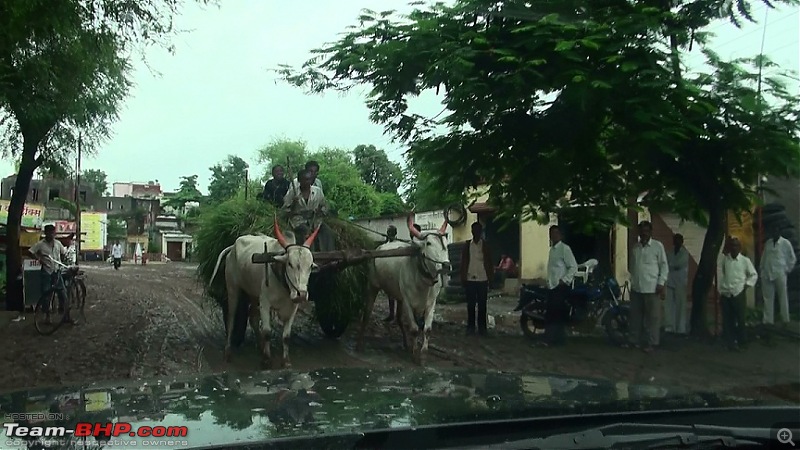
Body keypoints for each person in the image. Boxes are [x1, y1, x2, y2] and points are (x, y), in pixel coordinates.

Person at [627, 220, 669, 353]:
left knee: (653, 318)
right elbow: (632, 266)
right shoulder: (635, 248)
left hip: (652, 288)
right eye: (642, 231)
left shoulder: (657, 246)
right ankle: (634, 341)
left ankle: (653, 343)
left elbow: (664, 266)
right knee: (635, 317)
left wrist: (661, 283)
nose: (644, 234)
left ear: (650, 232)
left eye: (646, 231)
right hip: (637, 288)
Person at [717, 237, 758, 351]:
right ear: (729, 247)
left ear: (739, 248)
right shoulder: (725, 260)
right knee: (727, 320)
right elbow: (724, 274)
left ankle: (742, 342)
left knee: (740, 319)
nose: (734, 248)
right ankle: (730, 342)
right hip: (726, 293)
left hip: (738, 293)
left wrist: (746, 285)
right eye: (732, 245)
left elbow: (753, 275)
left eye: (736, 246)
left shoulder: (745, 261)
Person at [29, 224, 72, 324]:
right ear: (45, 233)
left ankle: (65, 315)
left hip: (57, 271)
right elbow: (30, 251)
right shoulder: (40, 244)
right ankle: (47, 317)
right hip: (46, 271)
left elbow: (63, 253)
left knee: (63, 294)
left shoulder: (58, 244)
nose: (51, 235)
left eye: (53, 233)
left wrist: (64, 261)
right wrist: (39, 259)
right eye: (49, 233)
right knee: (46, 294)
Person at [543, 225, 578, 346]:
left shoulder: (564, 249)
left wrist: (565, 279)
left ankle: (553, 339)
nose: (554, 236)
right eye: (552, 234)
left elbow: (573, 266)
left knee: (556, 313)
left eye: (556, 233)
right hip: (552, 286)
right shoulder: (552, 250)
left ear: (560, 235)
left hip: (561, 286)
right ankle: (554, 339)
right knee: (552, 313)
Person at [283, 169, 333, 250]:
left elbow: (325, 206)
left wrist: (320, 211)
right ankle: (310, 255)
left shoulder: (317, 191)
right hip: (298, 221)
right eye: (305, 180)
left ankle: (329, 254)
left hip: (315, 220)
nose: (307, 182)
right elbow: (285, 210)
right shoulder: (292, 193)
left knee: (327, 231)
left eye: (309, 179)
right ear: (299, 180)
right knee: (306, 233)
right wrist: (293, 204)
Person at [459, 222, 494, 336]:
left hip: (483, 279)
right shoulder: (467, 245)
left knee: (482, 305)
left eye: (478, 230)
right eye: (474, 230)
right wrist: (463, 277)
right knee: (471, 305)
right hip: (470, 279)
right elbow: (463, 262)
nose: (476, 233)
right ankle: (470, 328)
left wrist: (490, 278)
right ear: (472, 231)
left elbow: (489, 262)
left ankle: (482, 329)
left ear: (481, 232)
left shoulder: (485, 245)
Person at [759, 226, 796, 325]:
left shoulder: (785, 243)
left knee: (782, 296)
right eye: (772, 232)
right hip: (767, 273)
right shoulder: (768, 243)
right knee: (767, 298)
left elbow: (792, 258)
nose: (774, 234)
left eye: (776, 232)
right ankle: (768, 320)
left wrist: (787, 269)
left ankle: (785, 319)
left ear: (779, 232)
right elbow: (764, 257)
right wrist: (762, 270)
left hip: (780, 273)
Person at [665, 233, 689, 335]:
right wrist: (670, 265)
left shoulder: (684, 253)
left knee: (680, 305)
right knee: (669, 305)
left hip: (680, 282)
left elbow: (678, 264)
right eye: (675, 240)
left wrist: (670, 265)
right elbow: (666, 264)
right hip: (670, 281)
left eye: (679, 240)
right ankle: (670, 326)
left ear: (682, 242)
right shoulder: (669, 252)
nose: (677, 242)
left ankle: (680, 328)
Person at [383, 225, 400, 322]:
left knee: (398, 295)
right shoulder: (386, 244)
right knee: (390, 294)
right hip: (388, 271)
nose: (389, 234)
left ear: (394, 233)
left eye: (390, 232)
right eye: (388, 232)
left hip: (396, 271)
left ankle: (398, 316)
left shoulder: (398, 244)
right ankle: (391, 314)